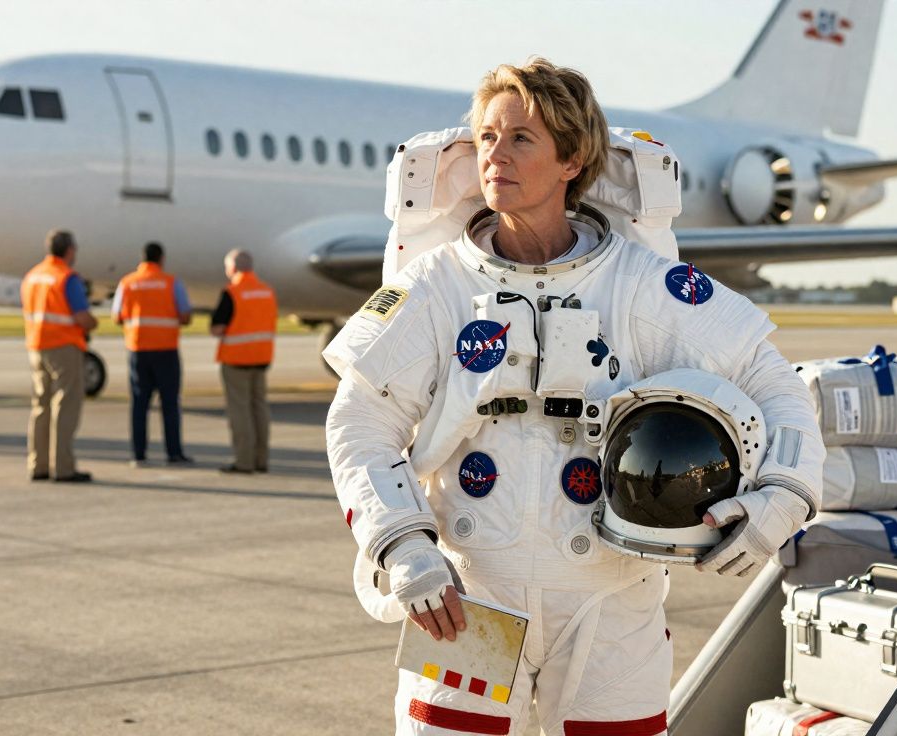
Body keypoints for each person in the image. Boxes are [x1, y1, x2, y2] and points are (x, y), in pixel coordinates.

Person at [323, 59, 823, 735]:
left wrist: (784, 496)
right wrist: (403, 546)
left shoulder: (644, 287)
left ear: (574, 159)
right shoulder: (436, 287)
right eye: (487, 138)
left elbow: (775, 385)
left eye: (520, 138)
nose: (495, 155)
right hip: (471, 596)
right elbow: (360, 420)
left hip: (611, 599)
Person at [22, 229, 97, 483]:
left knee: (40, 405)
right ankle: (63, 467)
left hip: (36, 346)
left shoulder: (33, 276)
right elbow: (81, 317)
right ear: (69, 250)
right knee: (65, 406)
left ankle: (38, 464)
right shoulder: (66, 278)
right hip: (63, 346)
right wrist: (93, 323)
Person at [112, 242, 194, 467]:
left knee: (139, 404)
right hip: (166, 350)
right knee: (169, 404)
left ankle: (138, 454)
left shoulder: (127, 283)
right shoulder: (171, 283)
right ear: (161, 259)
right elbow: (185, 314)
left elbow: (116, 316)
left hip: (138, 350)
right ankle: (174, 453)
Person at [210, 249, 277, 474]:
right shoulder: (266, 291)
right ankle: (261, 460)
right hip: (261, 357)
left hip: (236, 359)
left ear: (232, 268)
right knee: (260, 409)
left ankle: (244, 462)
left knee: (240, 412)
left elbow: (218, 328)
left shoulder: (232, 292)